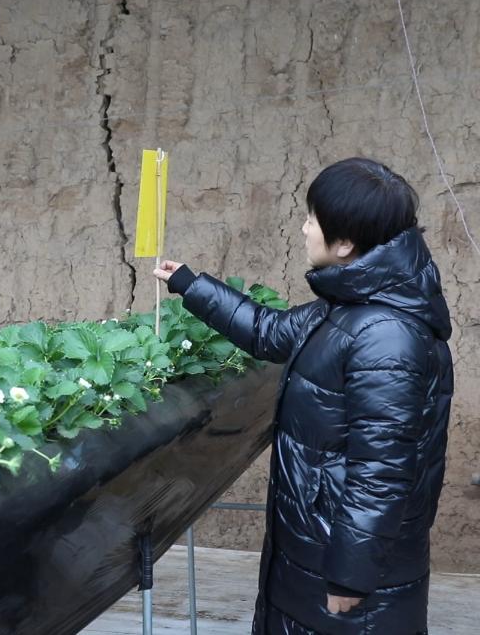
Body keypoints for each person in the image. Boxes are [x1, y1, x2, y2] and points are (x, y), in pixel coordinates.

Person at [153, 158, 452, 634]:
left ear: (345, 242)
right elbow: (268, 331)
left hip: (345, 570)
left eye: (312, 218)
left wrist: (351, 574)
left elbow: (382, 472)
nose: (304, 228)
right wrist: (190, 284)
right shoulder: (348, 307)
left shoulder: (386, 336)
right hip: (316, 546)